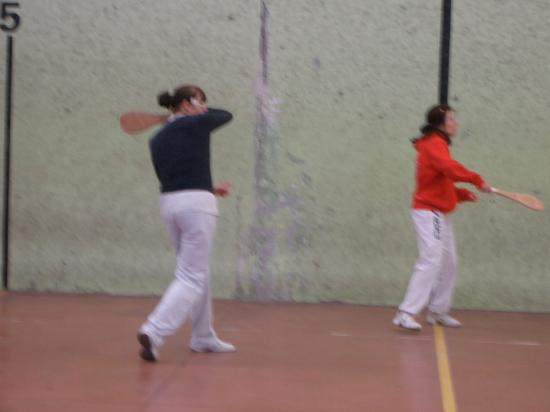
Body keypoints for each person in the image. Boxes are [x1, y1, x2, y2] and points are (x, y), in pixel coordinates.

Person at [137, 84, 235, 361]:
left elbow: (178, 177)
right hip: (196, 209)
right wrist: (195, 111)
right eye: (200, 101)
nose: (205, 107)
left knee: (197, 271)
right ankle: (153, 331)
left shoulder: (157, 139)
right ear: (187, 103)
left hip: (171, 205)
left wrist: (211, 188)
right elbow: (225, 115)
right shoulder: (197, 124)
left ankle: (203, 336)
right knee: (190, 277)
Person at [393, 104, 492, 331]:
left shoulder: (437, 145)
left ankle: (438, 311)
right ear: (440, 124)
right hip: (429, 213)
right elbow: (449, 168)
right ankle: (405, 313)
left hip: (440, 212)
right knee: (431, 259)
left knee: (449, 262)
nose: (455, 124)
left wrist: (460, 194)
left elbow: (437, 180)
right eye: (451, 120)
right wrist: (476, 179)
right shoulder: (433, 144)